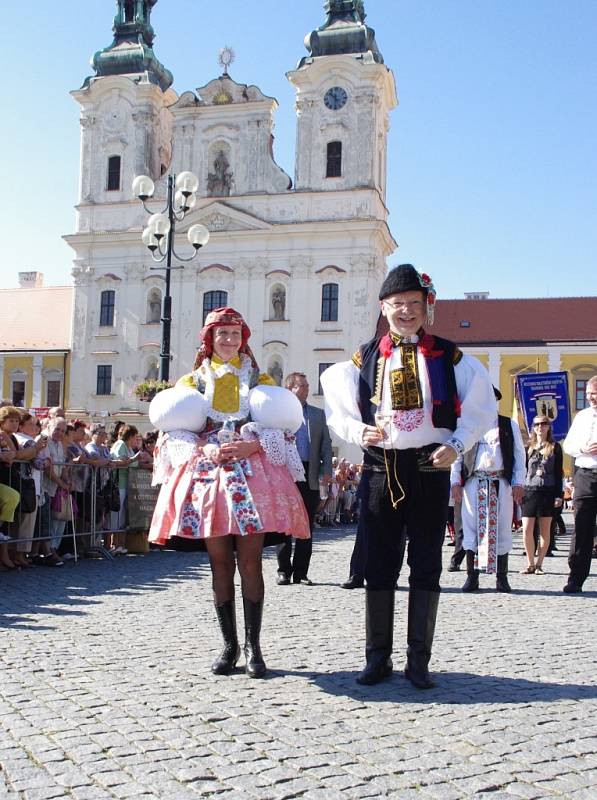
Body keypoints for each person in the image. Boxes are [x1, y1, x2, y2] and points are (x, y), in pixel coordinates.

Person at [321, 264, 495, 688]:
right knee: (379, 565)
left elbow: (480, 409)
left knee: (426, 563)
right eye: (398, 304)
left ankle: (419, 660)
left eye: (414, 304)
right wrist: (360, 431)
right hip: (380, 469)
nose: (406, 311)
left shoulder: (452, 357)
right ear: (384, 307)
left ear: (426, 308)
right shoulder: (361, 359)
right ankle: (376, 658)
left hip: (427, 469)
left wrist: (455, 446)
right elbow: (339, 410)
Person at [149, 307, 310, 677]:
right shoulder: (193, 381)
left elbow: (283, 427)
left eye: (235, 335)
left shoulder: (259, 376)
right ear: (209, 338)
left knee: (250, 561)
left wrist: (252, 446)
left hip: (252, 473)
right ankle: (229, 645)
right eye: (222, 334)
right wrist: (204, 448)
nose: (228, 341)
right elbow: (175, 429)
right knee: (219, 562)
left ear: (243, 339)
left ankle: (255, 647)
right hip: (209, 477)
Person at [450, 388, 526, 592]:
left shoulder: (508, 425)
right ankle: (471, 577)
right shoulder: (467, 426)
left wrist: (518, 482)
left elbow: (519, 456)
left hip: (500, 482)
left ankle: (502, 578)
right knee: (471, 529)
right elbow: (456, 454)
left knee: (501, 528)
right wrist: (455, 481)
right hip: (473, 483)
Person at [275, 372, 332, 586]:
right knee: (285, 523)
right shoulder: (280, 414)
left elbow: (326, 444)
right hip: (287, 471)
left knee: (306, 523)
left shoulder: (317, 415)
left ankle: (301, 572)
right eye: (302, 385)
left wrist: (327, 470)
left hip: (310, 472)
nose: (307, 388)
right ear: (290, 388)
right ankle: (283, 570)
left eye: (308, 385)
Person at [562, 375, 597, 593]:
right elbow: (569, 445)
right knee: (582, 528)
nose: (591, 398)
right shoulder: (582, 416)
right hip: (586, 475)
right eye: (589, 395)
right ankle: (575, 578)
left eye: (595, 394)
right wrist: (583, 448)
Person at [520, 415, 563, 575]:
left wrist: (559, 495)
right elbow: (522, 470)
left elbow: (558, 474)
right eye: (537, 424)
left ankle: (539, 564)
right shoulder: (528, 447)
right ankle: (530, 563)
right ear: (533, 427)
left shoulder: (555, 447)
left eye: (544, 424)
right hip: (530, 490)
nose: (540, 427)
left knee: (545, 530)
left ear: (548, 427)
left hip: (547, 491)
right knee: (527, 529)